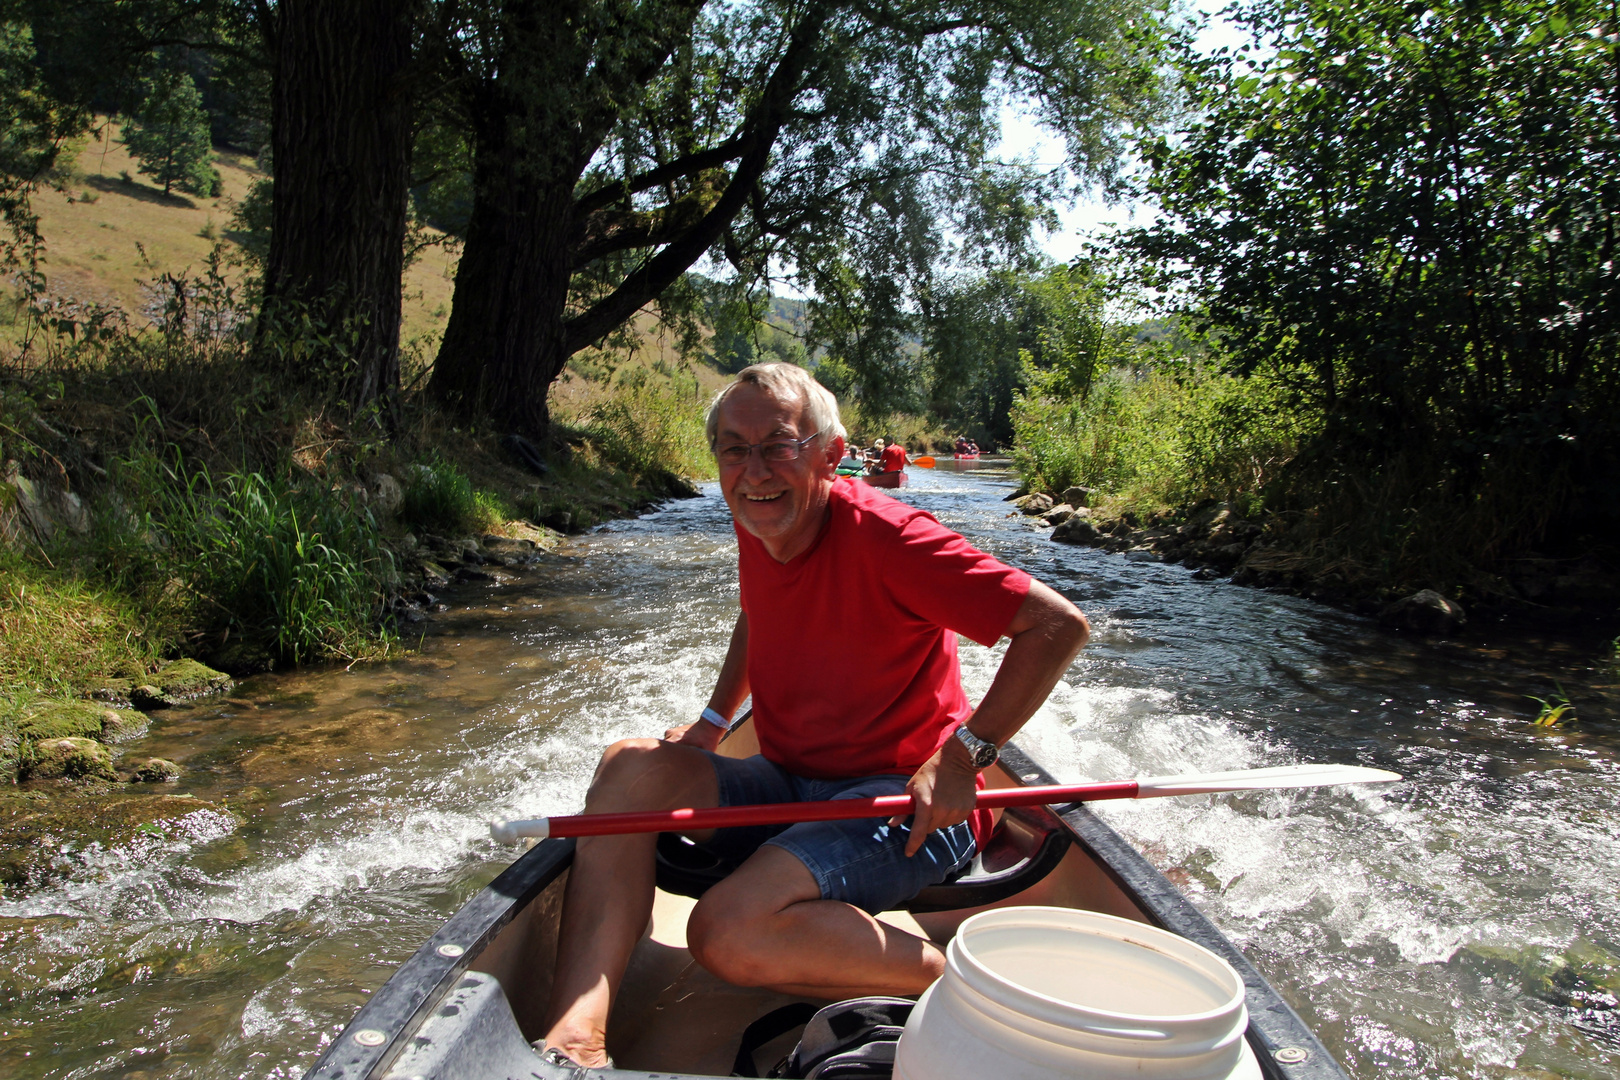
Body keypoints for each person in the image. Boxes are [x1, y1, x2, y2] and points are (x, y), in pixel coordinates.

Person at [537, 362, 1089, 1068]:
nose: (753, 467)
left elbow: (1057, 626)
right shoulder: (759, 512)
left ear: (830, 454)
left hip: (900, 804)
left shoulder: (893, 539)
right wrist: (713, 720)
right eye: (734, 447)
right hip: (791, 778)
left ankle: (970, 987)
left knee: (725, 933)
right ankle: (576, 1037)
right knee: (628, 768)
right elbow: (756, 613)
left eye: (778, 443)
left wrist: (963, 757)